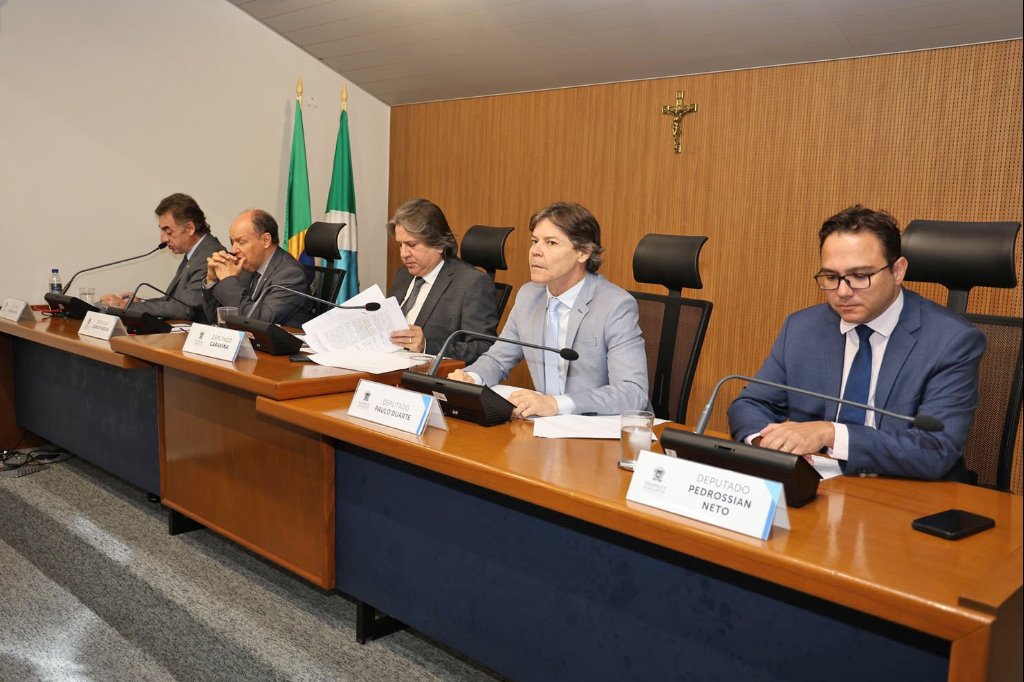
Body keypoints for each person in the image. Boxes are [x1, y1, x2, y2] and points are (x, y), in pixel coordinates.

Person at [727, 205, 986, 480]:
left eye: (860, 276)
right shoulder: (802, 328)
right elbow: (750, 404)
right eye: (831, 277)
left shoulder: (952, 340)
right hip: (818, 484)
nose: (842, 292)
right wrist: (764, 443)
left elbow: (934, 449)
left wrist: (831, 433)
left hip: (905, 493)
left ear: (898, 271)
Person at [449, 201, 650, 418]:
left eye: (551, 243)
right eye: (534, 241)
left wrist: (556, 404)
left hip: (601, 431)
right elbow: (497, 360)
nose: (535, 251)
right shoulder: (528, 296)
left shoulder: (614, 305)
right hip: (547, 429)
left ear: (583, 253)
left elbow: (633, 392)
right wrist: (471, 378)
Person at [387, 198, 499, 363]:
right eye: (400, 245)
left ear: (439, 244)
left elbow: (484, 348)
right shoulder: (403, 275)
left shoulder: (472, 283)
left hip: (429, 380)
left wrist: (426, 346)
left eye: (411, 245)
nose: (404, 254)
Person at [100, 193, 224, 321]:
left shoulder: (210, 255)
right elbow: (170, 301)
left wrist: (127, 306)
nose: (163, 238)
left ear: (190, 228)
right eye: (162, 231)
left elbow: (185, 308)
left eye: (169, 232)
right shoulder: (195, 253)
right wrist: (139, 303)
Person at [201, 209, 314, 327]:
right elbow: (217, 318)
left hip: (283, 343)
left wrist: (228, 280)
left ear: (266, 240)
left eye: (242, 242)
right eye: (232, 241)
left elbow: (258, 322)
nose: (234, 249)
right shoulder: (246, 267)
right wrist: (212, 281)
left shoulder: (290, 274)